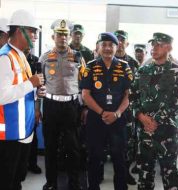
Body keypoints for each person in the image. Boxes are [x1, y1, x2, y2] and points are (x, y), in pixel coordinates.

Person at [131, 32, 178, 190]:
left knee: (169, 173)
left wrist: (154, 121)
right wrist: (141, 117)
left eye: (159, 45)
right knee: (144, 173)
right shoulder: (143, 70)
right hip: (144, 133)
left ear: (169, 47)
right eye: (153, 45)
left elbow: (176, 101)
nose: (154, 48)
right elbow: (132, 96)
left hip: (166, 133)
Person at [81, 32, 133, 190]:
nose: (108, 48)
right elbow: (85, 95)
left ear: (117, 47)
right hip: (96, 119)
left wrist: (116, 113)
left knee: (119, 158)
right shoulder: (90, 66)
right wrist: (102, 112)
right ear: (98, 47)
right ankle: (93, 187)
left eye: (111, 45)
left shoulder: (124, 66)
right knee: (94, 157)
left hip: (118, 119)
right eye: (104, 45)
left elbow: (128, 96)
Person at [0, 9, 43, 190]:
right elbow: (2, 96)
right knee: (6, 181)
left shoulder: (20, 55)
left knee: (17, 179)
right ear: (19, 31)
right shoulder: (5, 57)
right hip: (9, 134)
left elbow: (21, 87)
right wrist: (31, 84)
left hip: (23, 130)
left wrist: (35, 92)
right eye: (32, 32)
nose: (34, 37)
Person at [39, 19, 84, 190]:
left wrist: (84, 107)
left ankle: (74, 183)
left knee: (72, 147)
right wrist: (38, 109)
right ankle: (51, 182)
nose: (63, 38)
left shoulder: (78, 57)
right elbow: (39, 85)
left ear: (70, 36)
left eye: (65, 35)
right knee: (51, 146)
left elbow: (83, 83)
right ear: (53, 36)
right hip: (51, 106)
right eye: (59, 35)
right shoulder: (45, 58)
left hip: (71, 107)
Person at [114, 29, 139, 185]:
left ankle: (125, 173)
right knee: (105, 145)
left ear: (127, 43)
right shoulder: (105, 61)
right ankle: (101, 172)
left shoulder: (133, 63)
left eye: (123, 40)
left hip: (127, 111)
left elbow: (136, 89)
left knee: (128, 144)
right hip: (108, 109)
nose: (120, 43)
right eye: (117, 40)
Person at [23, 48, 42, 174]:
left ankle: (32, 163)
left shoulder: (35, 61)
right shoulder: (7, 57)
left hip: (30, 104)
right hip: (14, 104)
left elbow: (40, 87)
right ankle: (21, 166)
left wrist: (37, 109)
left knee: (32, 136)